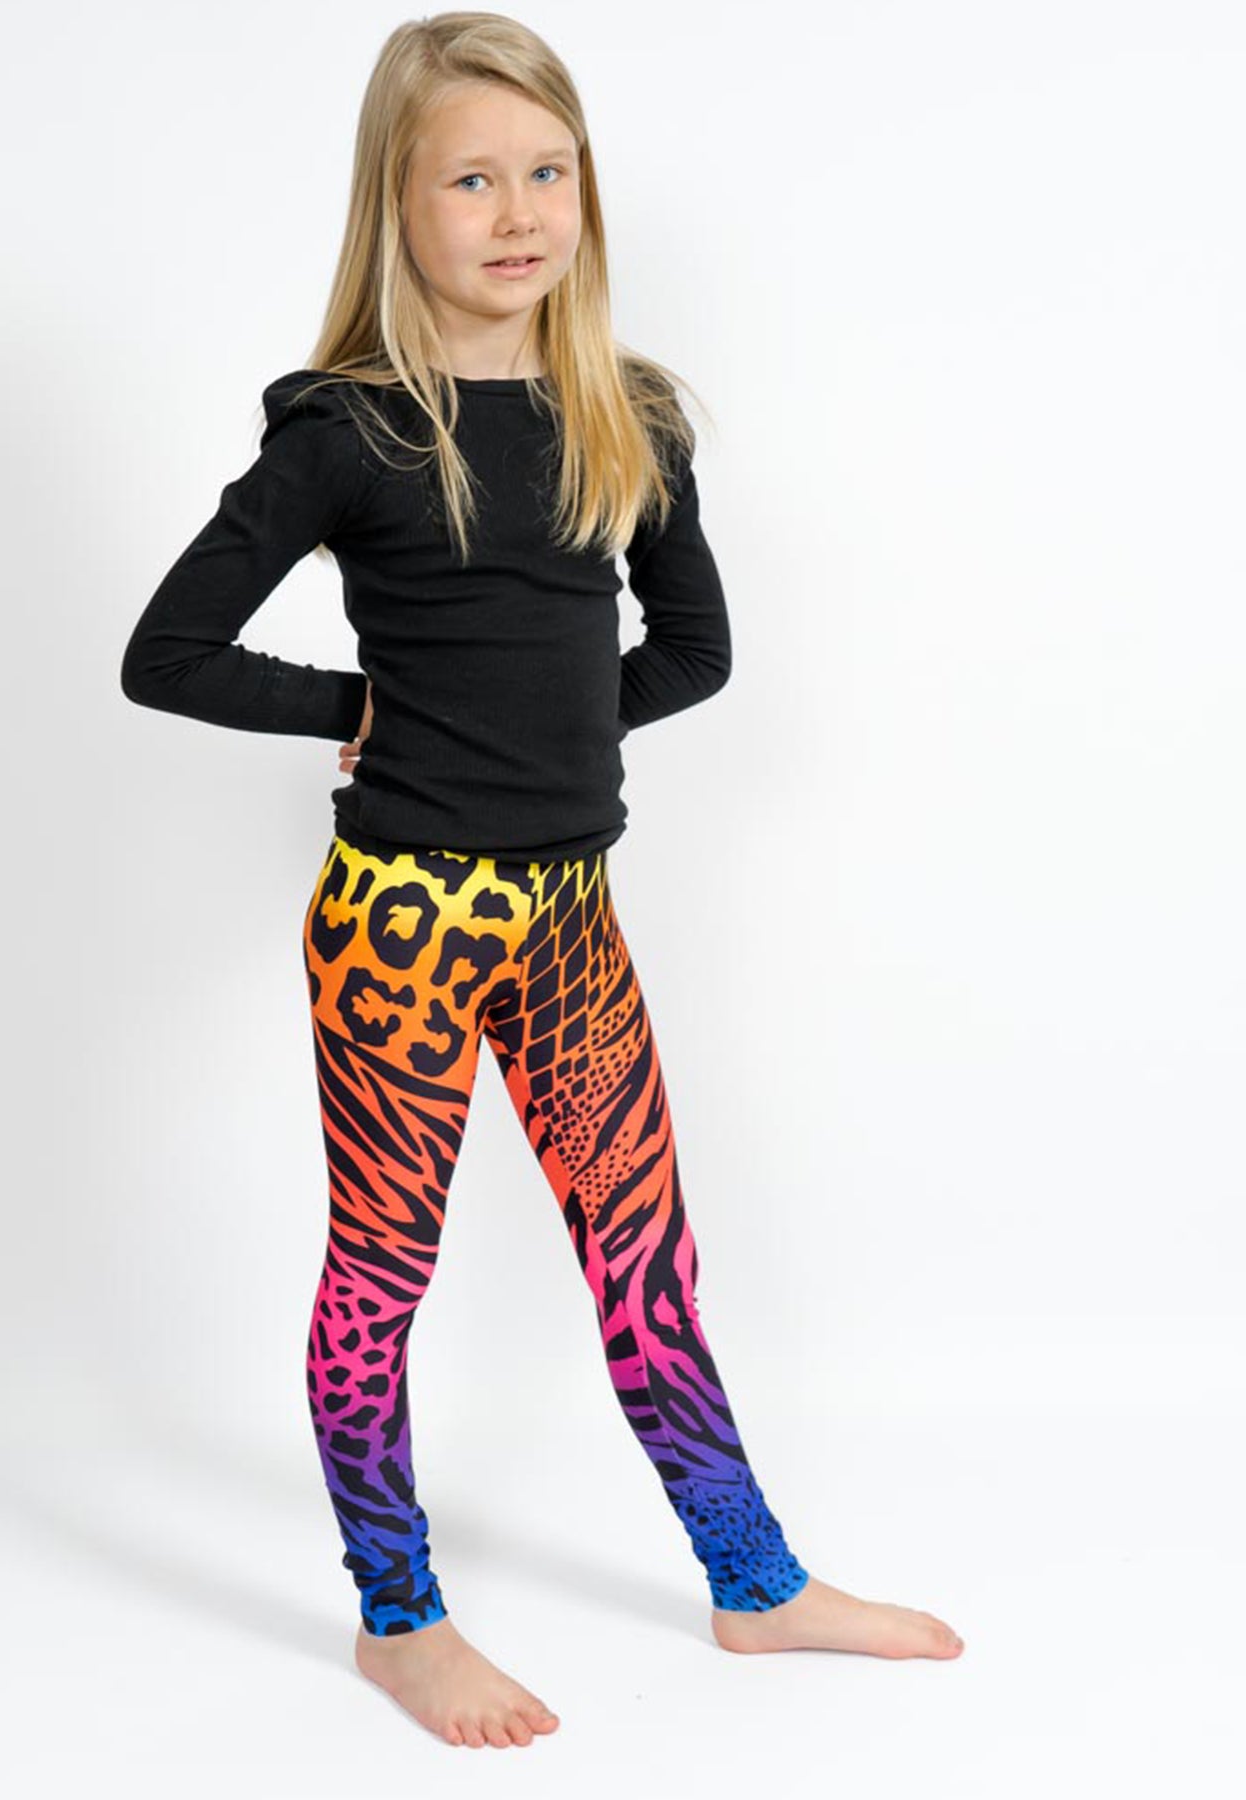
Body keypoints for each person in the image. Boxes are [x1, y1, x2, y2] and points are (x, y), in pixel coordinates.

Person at [120, 9, 964, 1753]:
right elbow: (168, 653)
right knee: (383, 1274)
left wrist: (549, 733)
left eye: (548, 172)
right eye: (472, 180)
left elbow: (698, 651)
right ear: (397, 204)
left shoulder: (619, 413)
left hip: (572, 923)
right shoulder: (352, 432)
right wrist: (363, 714)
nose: (518, 213)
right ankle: (399, 1618)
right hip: (403, 926)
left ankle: (754, 1582)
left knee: (647, 1262)